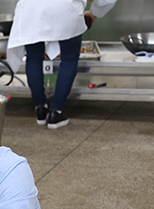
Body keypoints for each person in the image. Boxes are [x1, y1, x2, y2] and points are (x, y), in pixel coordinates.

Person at [7, 0, 118, 129]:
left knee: (33, 58)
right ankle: (56, 112)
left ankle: (40, 109)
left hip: (31, 9)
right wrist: (95, 13)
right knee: (69, 59)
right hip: (66, 9)